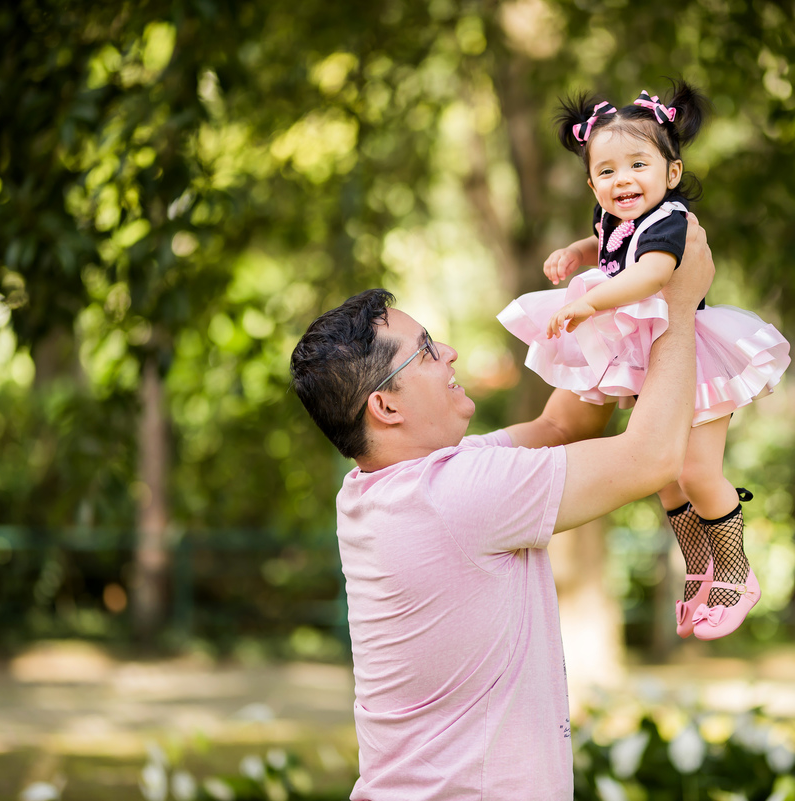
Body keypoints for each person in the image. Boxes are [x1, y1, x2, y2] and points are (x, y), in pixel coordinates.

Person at [289, 224, 713, 800]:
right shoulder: (457, 495)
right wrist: (678, 306)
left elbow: (561, 427)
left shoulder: (383, 488)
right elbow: (653, 459)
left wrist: (619, 305)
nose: (450, 353)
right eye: (426, 351)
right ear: (385, 406)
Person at [498, 80, 791, 640]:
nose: (622, 179)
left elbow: (650, 273)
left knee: (696, 469)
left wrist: (588, 302)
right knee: (664, 478)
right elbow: (605, 246)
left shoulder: (669, 222)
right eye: (607, 172)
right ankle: (699, 567)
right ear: (592, 183)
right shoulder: (614, 216)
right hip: (652, 352)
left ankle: (735, 569)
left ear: (671, 174)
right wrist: (575, 254)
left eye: (638, 164)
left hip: (695, 356)